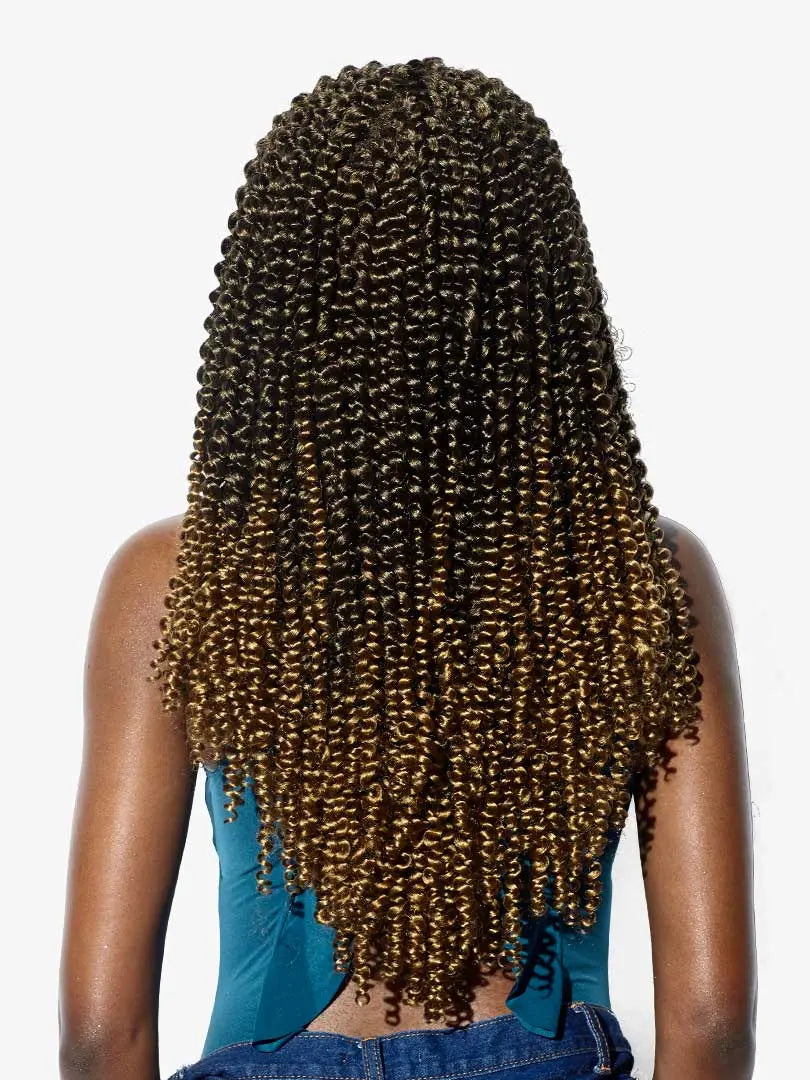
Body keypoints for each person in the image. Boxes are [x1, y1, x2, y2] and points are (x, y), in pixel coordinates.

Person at [58, 58, 757, 1080]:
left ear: (280, 303)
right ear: (539, 300)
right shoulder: (632, 573)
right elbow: (712, 1017)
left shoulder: (180, 578)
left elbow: (99, 1030)